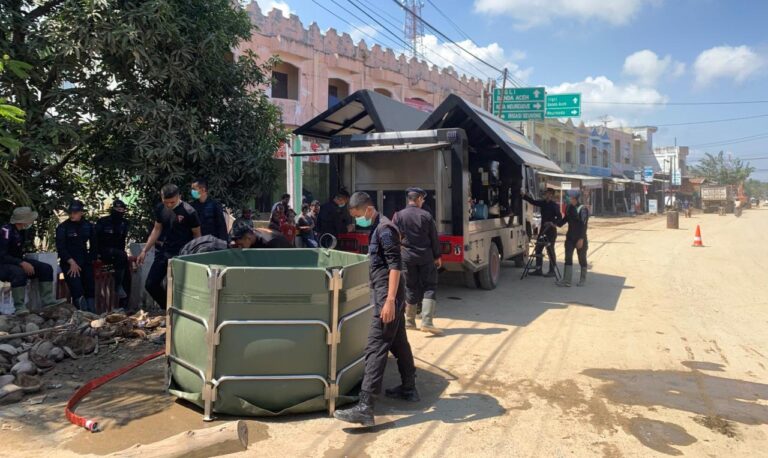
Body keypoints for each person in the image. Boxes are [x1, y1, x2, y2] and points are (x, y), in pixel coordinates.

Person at [333, 192, 417, 427]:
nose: (357, 219)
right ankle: (409, 388)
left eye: (358, 215)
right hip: (386, 293)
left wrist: (390, 300)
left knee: (375, 347)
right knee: (399, 342)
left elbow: (395, 265)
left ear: (368, 209)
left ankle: (365, 407)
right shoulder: (377, 229)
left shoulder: (384, 229)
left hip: (387, 295)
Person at [137, 184, 201, 309]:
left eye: (172, 202)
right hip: (163, 252)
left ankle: (180, 314)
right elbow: (157, 229)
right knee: (151, 284)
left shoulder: (189, 212)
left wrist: (196, 258)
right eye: (166, 202)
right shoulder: (160, 208)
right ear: (162, 198)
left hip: (182, 255)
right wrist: (145, 250)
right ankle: (169, 309)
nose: (169, 205)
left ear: (179, 197)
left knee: (178, 288)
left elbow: (197, 236)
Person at [0, 207, 65, 315]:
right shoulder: (5, 231)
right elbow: (2, 255)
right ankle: (20, 307)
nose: (32, 221)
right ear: (23, 221)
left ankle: (48, 301)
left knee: (45, 268)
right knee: (18, 273)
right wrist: (21, 263)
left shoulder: (22, 231)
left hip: (17, 261)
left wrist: (22, 262)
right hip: (3, 264)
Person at [394, 187, 442, 335]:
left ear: (409, 199)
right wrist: (437, 256)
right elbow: (434, 238)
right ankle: (427, 322)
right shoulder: (426, 216)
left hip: (406, 257)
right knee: (430, 286)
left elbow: (393, 236)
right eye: (423, 199)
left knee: (410, 286)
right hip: (425, 256)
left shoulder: (398, 216)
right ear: (419, 199)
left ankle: (409, 321)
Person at [56, 200, 97, 312]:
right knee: (77, 290)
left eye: (75, 212)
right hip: (69, 263)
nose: (72, 214)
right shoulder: (63, 227)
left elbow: (94, 246)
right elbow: (61, 248)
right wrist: (71, 262)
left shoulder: (88, 226)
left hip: (84, 260)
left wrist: (90, 259)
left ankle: (92, 314)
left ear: (81, 212)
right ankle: (82, 314)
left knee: (90, 288)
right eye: (71, 212)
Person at [522, 188, 562, 277]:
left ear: (551, 195)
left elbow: (559, 218)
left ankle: (552, 271)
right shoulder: (543, 203)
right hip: (543, 230)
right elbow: (533, 202)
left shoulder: (554, 206)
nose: (546, 195)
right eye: (546, 193)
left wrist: (553, 223)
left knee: (550, 250)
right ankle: (538, 269)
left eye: (548, 194)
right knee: (538, 249)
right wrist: (524, 196)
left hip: (551, 231)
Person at [95, 200, 130, 301]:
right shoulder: (103, 221)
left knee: (126, 273)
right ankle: (117, 286)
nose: (119, 211)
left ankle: (125, 305)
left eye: (121, 209)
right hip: (104, 253)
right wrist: (96, 254)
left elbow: (122, 241)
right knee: (121, 256)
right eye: (117, 209)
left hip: (117, 257)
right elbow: (95, 238)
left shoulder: (124, 223)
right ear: (113, 209)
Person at [556, 190, 589, 287]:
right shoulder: (569, 208)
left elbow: (584, 225)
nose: (568, 199)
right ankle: (567, 280)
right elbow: (564, 220)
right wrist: (554, 222)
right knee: (568, 257)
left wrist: (581, 239)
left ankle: (582, 279)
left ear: (575, 198)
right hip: (570, 237)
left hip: (580, 238)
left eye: (569, 197)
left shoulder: (582, 209)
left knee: (581, 258)